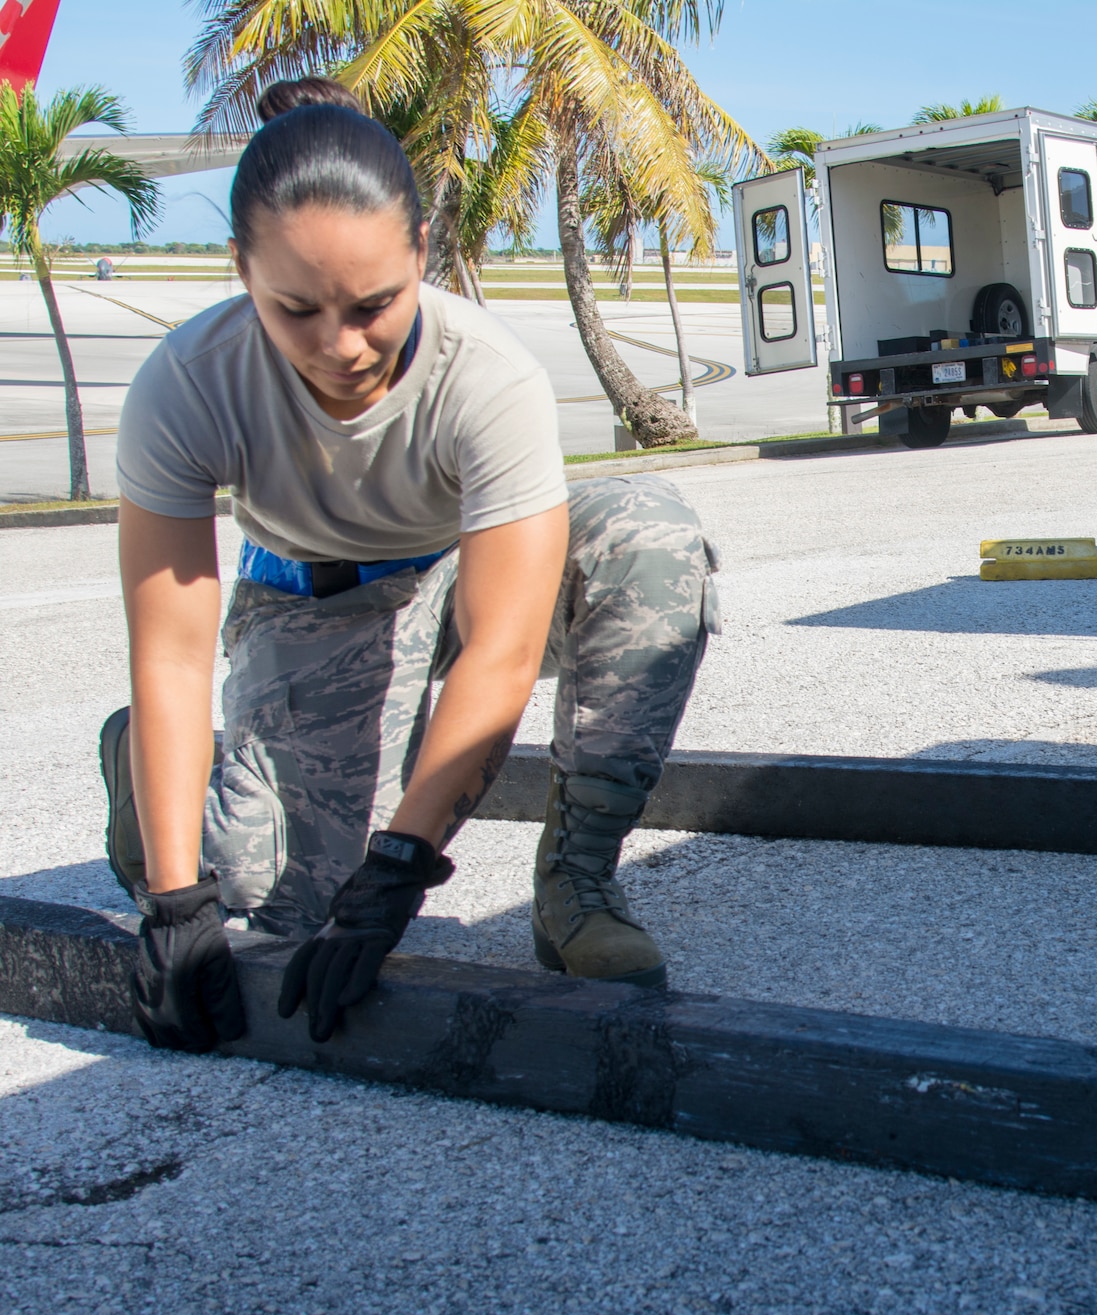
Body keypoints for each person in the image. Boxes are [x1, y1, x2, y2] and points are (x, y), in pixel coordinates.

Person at [103, 79, 717, 1052]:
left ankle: (576, 883)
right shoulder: (187, 383)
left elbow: (503, 647)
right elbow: (171, 651)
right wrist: (176, 904)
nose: (340, 347)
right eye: (296, 308)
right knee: (272, 907)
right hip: (322, 604)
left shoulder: (488, 374)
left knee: (649, 532)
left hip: (470, 584)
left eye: (374, 305)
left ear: (421, 251)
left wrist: (399, 861)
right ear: (241, 267)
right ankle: (150, 785)